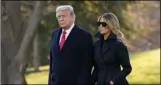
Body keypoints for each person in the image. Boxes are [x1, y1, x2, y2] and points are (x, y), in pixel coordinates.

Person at [48, 5, 94, 84]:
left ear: (72, 17)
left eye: (64, 16)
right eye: (59, 17)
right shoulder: (54, 34)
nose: (61, 19)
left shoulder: (84, 36)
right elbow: (52, 61)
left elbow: (87, 64)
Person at [92, 12, 132, 85]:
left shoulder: (119, 46)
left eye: (103, 24)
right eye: (99, 24)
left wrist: (114, 80)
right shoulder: (96, 45)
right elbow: (96, 69)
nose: (100, 26)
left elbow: (127, 68)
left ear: (111, 25)